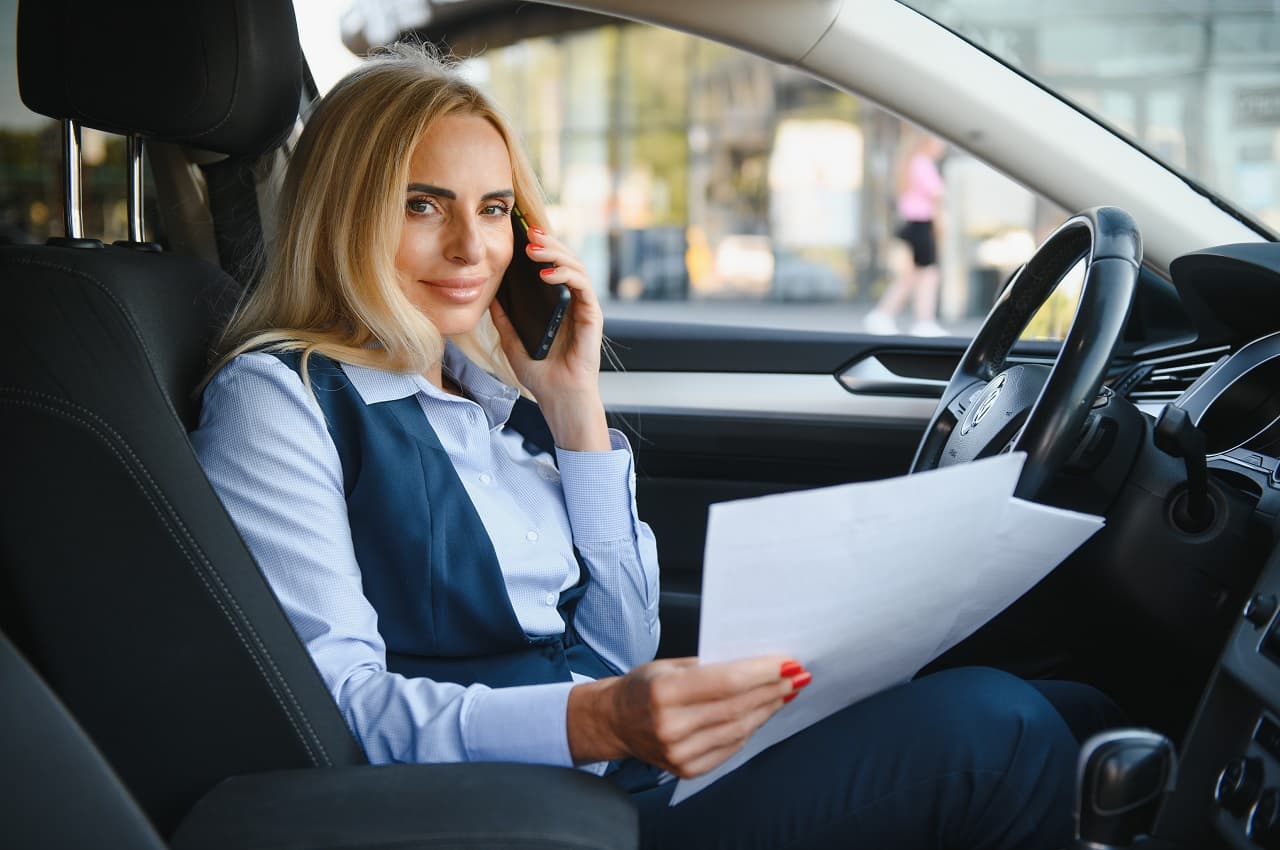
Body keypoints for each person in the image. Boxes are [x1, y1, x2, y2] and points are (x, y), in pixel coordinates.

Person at [192, 45, 1123, 849]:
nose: (472, 249)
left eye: (491, 209)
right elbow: (339, 707)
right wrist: (600, 718)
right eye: (423, 206)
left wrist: (574, 406)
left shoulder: (490, 399)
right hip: (522, 816)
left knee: (1077, 714)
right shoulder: (280, 399)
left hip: (611, 774)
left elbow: (616, 645)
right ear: (345, 211)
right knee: (994, 731)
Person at [865, 133, 948, 336]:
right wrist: (940, 225)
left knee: (910, 276)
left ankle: (883, 315)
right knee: (928, 274)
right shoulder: (922, 163)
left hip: (910, 225)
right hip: (921, 225)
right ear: (928, 142)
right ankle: (923, 321)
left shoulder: (909, 163)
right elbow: (937, 196)